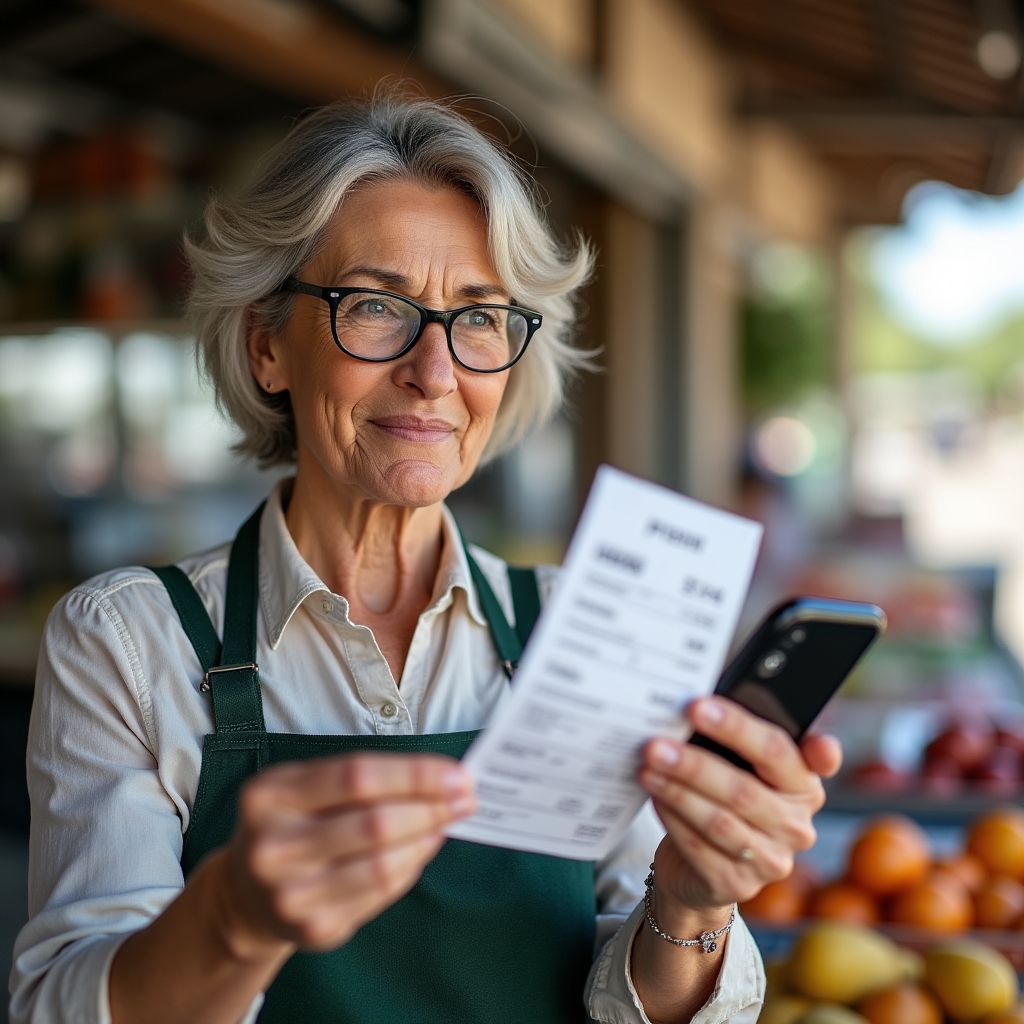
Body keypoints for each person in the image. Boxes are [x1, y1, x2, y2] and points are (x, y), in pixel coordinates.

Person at [10, 94, 839, 1024]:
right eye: (375, 306)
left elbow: (638, 998)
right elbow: (57, 1006)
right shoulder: (128, 641)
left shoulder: (586, 619)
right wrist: (234, 920)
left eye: (479, 319)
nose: (436, 373)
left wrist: (692, 901)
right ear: (266, 344)